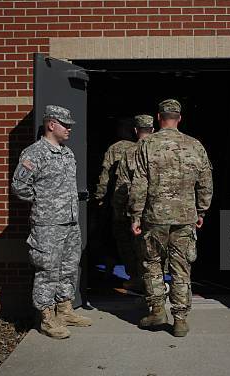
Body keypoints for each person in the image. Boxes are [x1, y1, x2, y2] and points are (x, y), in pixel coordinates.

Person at [129, 99, 213, 337]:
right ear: (179, 118)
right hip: (185, 216)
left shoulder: (147, 144)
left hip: (155, 217)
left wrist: (135, 215)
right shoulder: (195, 145)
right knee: (181, 267)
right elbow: (205, 182)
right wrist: (202, 210)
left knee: (152, 263)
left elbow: (139, 183)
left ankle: (157, 310)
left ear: (158, 117)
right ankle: (180, 320)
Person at [11, 105, 92, 339]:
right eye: (65, 124)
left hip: (69, 222)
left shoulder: (67, 153)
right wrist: (43, 203)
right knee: (48, 270)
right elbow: (19, 186)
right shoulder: (34, 153)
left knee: (68, 267)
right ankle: (47, 317)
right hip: (48, 224)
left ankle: (64, 309)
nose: (69, 129)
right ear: (51, 124)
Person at [113, 114, 155, 291]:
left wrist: (119, 210)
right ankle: (156, 284)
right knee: (156, 249)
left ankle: (139, 279)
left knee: (135, 247)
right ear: (153, 130)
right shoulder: (163, 149)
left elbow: (122, 186)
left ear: (136, 130)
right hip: (159, 210)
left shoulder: (130, 152)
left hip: (135, 209)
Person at [93, 118, 136, 276]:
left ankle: (130, 272)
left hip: (118, 200)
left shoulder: (115, 148)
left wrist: (99, 197)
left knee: (120, 238)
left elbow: (105, 177)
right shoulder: (145, 147)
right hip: (142, 203)